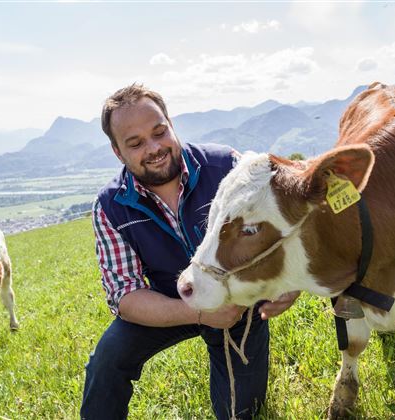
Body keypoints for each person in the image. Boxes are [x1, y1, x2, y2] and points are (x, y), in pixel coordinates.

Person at [81, 84, 300, 420]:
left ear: (170, 123)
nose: (154, 148)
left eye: (159, 132)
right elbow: (124, 296)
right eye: (136, 143)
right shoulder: (110, 206)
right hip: (169, 302)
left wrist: (288, 280)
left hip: (236, 305)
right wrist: (198, 313)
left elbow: (285, 225)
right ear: (117, 151)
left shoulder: (228, 166)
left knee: (239, 413)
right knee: (108, 358)